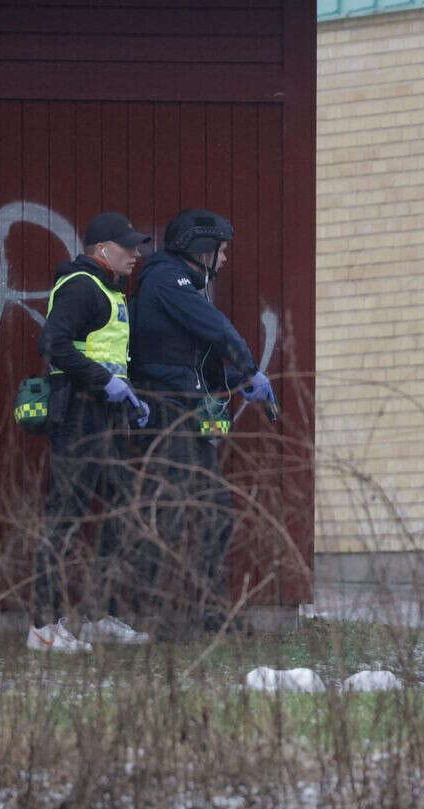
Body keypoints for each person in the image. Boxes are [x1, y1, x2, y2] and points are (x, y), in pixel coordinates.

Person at [126, 209, 276, 639]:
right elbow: (217, 330)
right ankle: (160, 616)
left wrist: (235, 382)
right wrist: (248, 368)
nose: (226, 259)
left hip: (187, 407)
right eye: (222, 251)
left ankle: (210, 610)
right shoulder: (166, 281)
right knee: (172, 512)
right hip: (168, 410)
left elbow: (192, 361)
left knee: (213, 512)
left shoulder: (185, 285)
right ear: (201, 249)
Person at [29, 212, 153, 652]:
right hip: (79, 416)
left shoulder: (108, 289)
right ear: (102, 250)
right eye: (129, 246)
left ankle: (102, 616)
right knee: (65, 517)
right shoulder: (82, 285)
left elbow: (106, 354)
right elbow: (53, 344)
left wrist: (129, 397)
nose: (136, 254)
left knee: (119, 512)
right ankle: (43, 628)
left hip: (106, 417)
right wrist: (105, 383)